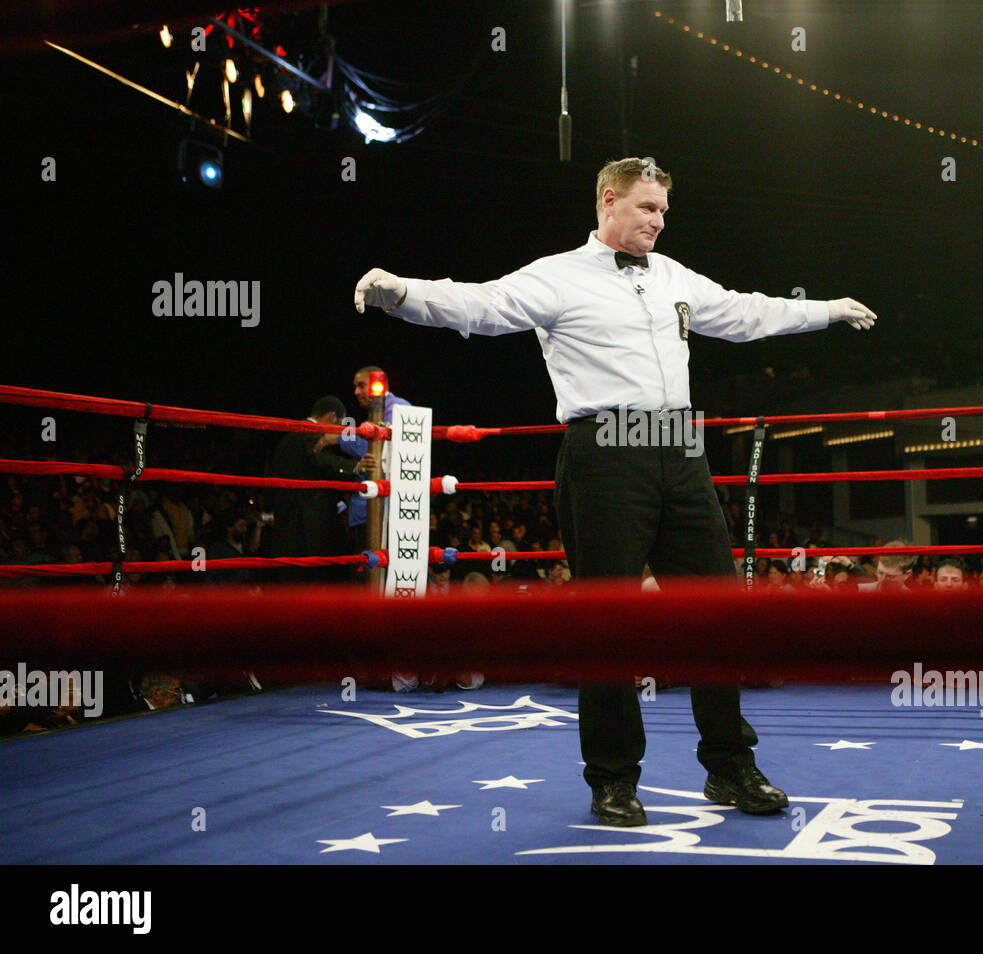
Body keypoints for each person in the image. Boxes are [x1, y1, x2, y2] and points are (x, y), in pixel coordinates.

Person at [355, 156, 876, 827]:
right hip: (604, 452)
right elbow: (482, 306)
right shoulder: (558, 275)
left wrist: (824, 310)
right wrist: (404, 293)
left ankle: (731, 766)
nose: (659, 222)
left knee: (717, 612)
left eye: (663, 211)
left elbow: (746, 314)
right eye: (647, 209)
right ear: (609, 200)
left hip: (681, 450)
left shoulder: (675, 278)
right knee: (611, 618)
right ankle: (612, 779)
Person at [267, 396, 373, 582]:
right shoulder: (308, 433)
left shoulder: (293, 434)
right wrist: (356, 467)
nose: (339, 431)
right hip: (303, 526)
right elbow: (322, 460)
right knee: (305, 584)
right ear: (333, 417)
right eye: (340, 424)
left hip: (293, 522)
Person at [338, 366, 411, 553]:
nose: (356, 392)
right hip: (369, 510)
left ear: (378, 385)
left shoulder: (398, 409)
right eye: (355, 387)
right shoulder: (380, 413)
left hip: (383, 512)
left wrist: (340, 436)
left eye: (361, 386)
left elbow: (376, 450)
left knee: (372, 573)